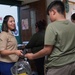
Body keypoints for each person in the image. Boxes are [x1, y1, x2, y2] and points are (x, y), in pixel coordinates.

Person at [25, 1, 75, 75]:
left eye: (49, 15)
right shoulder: (73, 25)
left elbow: (47, 50)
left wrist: (32, 56)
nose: (49, 18)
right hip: (73, 63)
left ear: (53, 12)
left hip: (58, 66)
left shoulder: (52, 26)